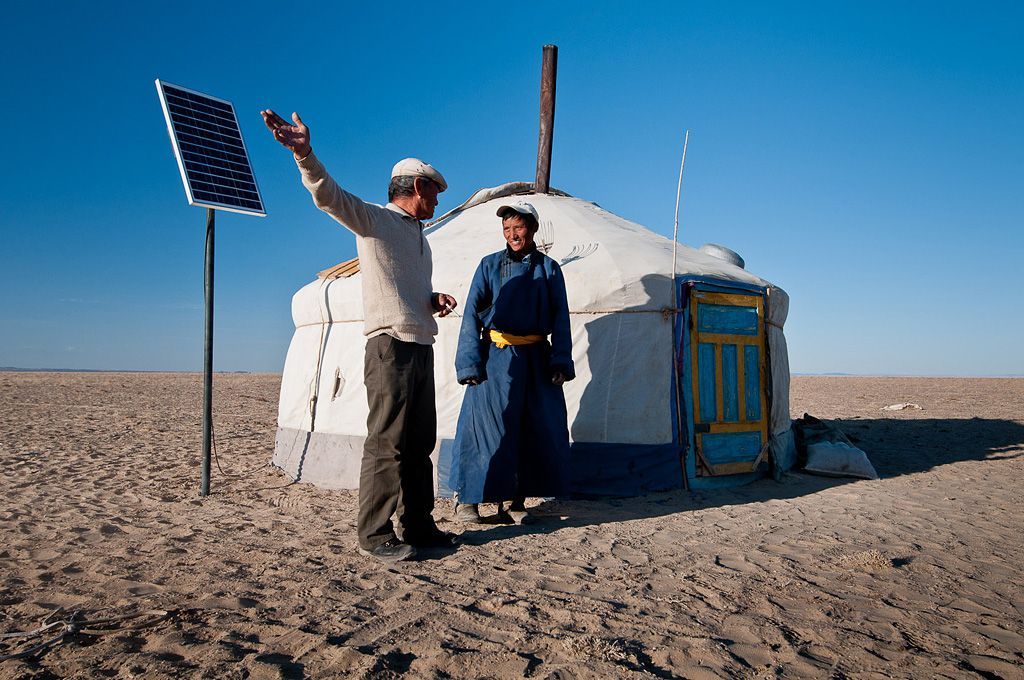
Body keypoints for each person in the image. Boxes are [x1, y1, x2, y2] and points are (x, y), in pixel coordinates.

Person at [262, 109, 457, 563]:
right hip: (390, 345)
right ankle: (374, 533)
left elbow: (400, 287)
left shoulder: (418, 236)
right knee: (387, 442)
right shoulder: (375, 221)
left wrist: (431, 300)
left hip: (420, 342)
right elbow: (329, 197)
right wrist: (305, 154)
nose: (438, 200)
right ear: (415, 188)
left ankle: (419, 524)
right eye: (434, 191)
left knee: (418, 443)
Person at [449, 200, 574, 524]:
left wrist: (560, 360)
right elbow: (470, 315)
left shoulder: (549, 269)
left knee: (533, 429)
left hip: (535, 358)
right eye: (507, 229)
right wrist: (469, 363)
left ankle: (515, 501)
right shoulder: (488, 265)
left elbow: (561, 316)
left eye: (518, 227)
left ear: (532, 228)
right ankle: (469, 501)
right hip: (495, 359)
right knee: (482, 429)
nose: (513, 234)